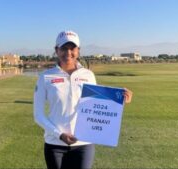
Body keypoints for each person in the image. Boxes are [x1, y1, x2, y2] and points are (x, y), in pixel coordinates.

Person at [33, 30, 133, 169]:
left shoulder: (88, 75)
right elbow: (38, 115)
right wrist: (60, 135)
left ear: (78, 51)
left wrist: (120, 99)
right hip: (55, 145)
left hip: (83, 144)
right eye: (64, 48)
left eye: (72, 48)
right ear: (56, 50)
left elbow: (96, 106)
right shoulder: (45, 77)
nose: (68, 53)